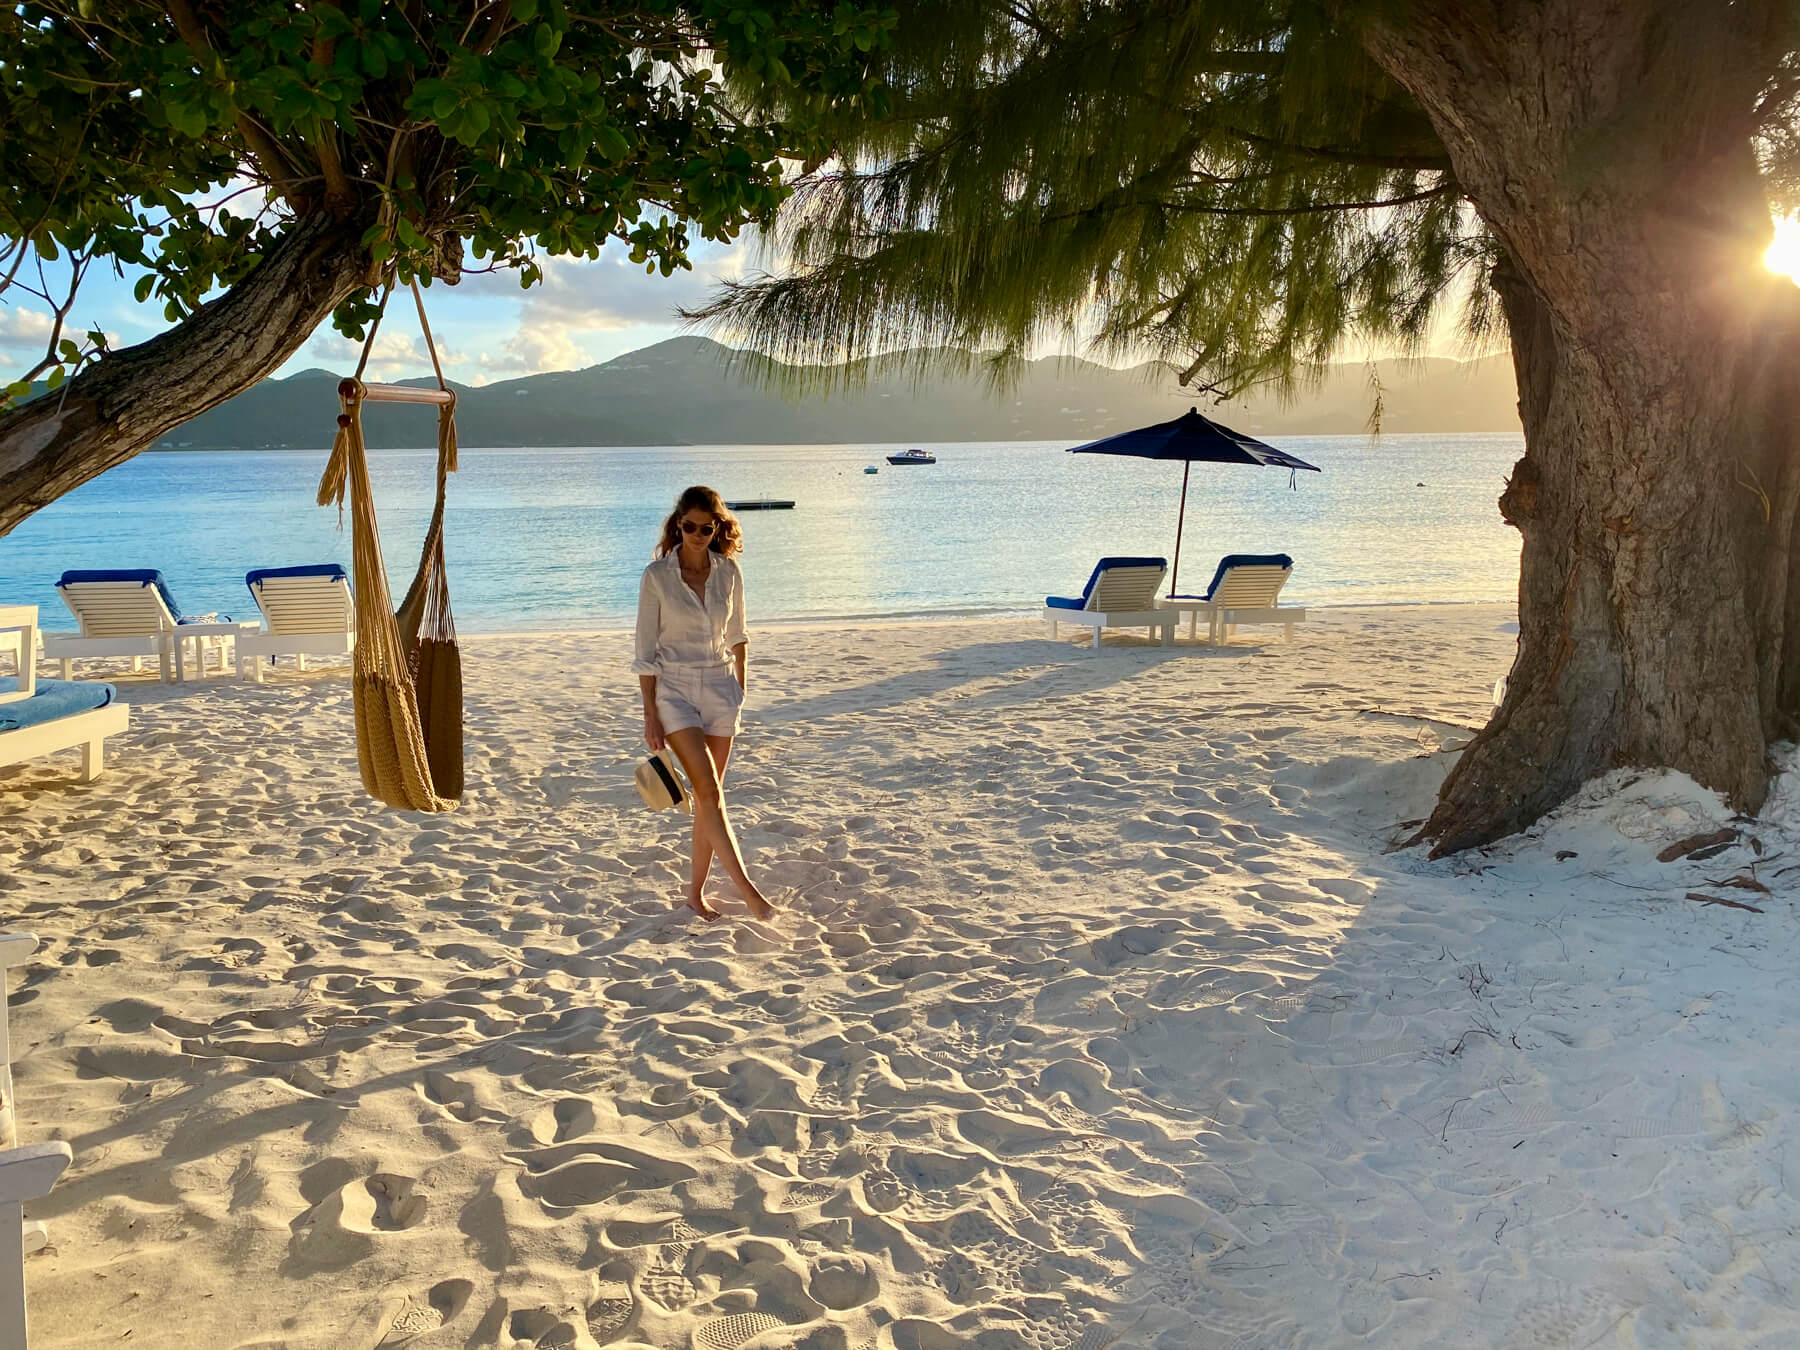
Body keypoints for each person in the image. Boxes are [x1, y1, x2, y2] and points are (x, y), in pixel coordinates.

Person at [633, 486, 773, 921]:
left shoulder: (729, 572)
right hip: (674, 690)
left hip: (720, 688)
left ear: (717, 529)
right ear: (678, 526)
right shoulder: (656, 576)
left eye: (705, 528)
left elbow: (739, 635)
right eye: (689, 527)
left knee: (709, 798)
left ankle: (695, 894)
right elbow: (644, 651)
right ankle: (750, 894)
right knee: (709, 791)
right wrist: (650, 713)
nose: (696, 534)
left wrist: (739, 689)